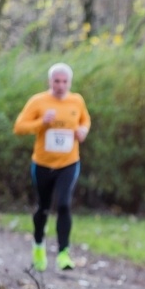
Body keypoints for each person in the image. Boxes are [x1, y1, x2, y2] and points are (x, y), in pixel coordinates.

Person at [14, 63, 91, 272]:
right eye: (57, 81)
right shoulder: (38, 101)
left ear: (70, 83)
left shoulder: (77, 100)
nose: (61, 85)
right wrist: (41, 122)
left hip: (68, 162)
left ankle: (64, 253)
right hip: (42, 164)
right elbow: (19, 127)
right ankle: (38, 246)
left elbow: (85, 119)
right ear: (50, 82)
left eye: (65, 81)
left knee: (64, 204)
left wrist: (83, 130)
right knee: (44, 207)